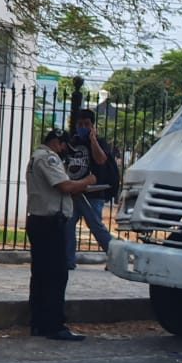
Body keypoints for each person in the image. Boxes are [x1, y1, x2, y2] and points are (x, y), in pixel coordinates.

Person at [26, 128, 95, 341]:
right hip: (49, 224)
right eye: (64, 145)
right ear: (56, 142)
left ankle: (39, 323)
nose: (65, 150)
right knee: (56, 275)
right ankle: (54, 325)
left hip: (41, 221)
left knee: (41, 274)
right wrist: (88, 181)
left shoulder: (36, 157)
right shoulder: (48, 159)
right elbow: (64, 186)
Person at [63, 109, 118, 269]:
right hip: (74, 192)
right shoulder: (72, 143)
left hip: (93, 193)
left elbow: (101, 160)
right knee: (68, 225)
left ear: (92, 126)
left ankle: (115, 255)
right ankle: (68, 261)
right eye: (80, 124)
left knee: (96, 227)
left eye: (86, 124)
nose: (83, 127)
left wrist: (93, 139)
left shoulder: (100, 142)